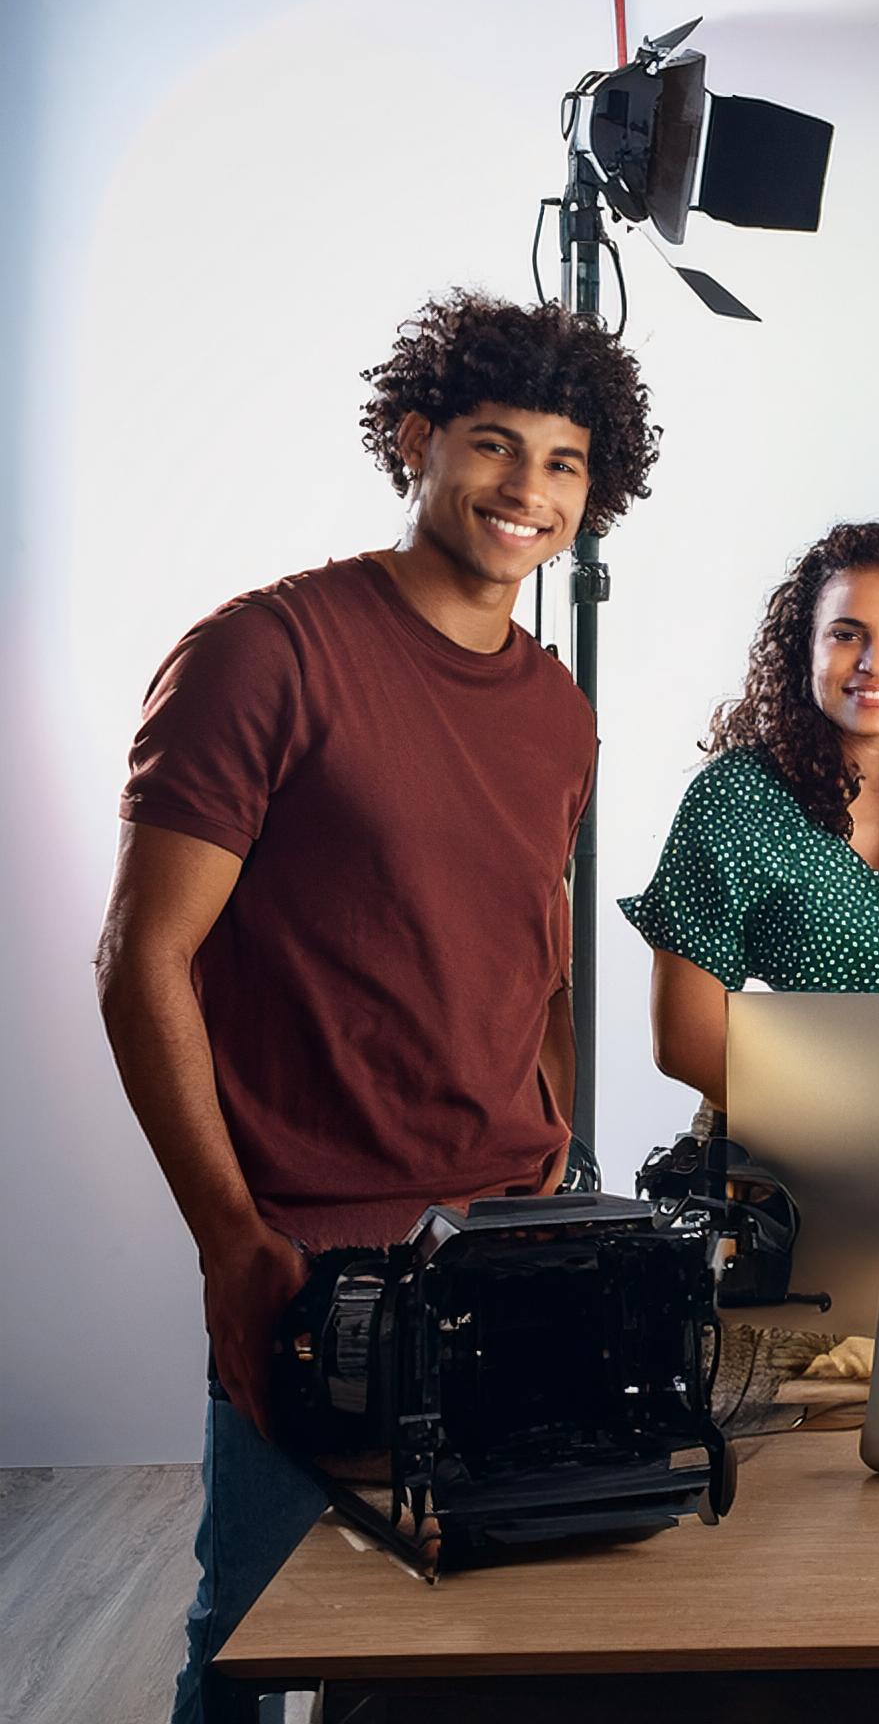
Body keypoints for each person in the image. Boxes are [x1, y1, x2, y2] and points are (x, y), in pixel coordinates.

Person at [94, 291, 659, 1723]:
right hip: (306, 1250)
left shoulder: (557, 708)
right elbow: (140, 960)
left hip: (495, 1236)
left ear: (597, 494)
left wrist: (552, 1146)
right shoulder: (265, 653)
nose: (526, 489)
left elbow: (535, 944)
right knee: (256, 1634)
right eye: (492, 443)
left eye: (565, 461)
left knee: (467, 1649)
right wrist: (232, 1241)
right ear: (414, 442)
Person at [622, 520, 879, 1116]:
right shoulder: (739, 799)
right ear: (806, 650)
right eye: (847, 635)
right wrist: (857, 1132)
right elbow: (685, 1043)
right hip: (775, 1159)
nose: (876, 663)